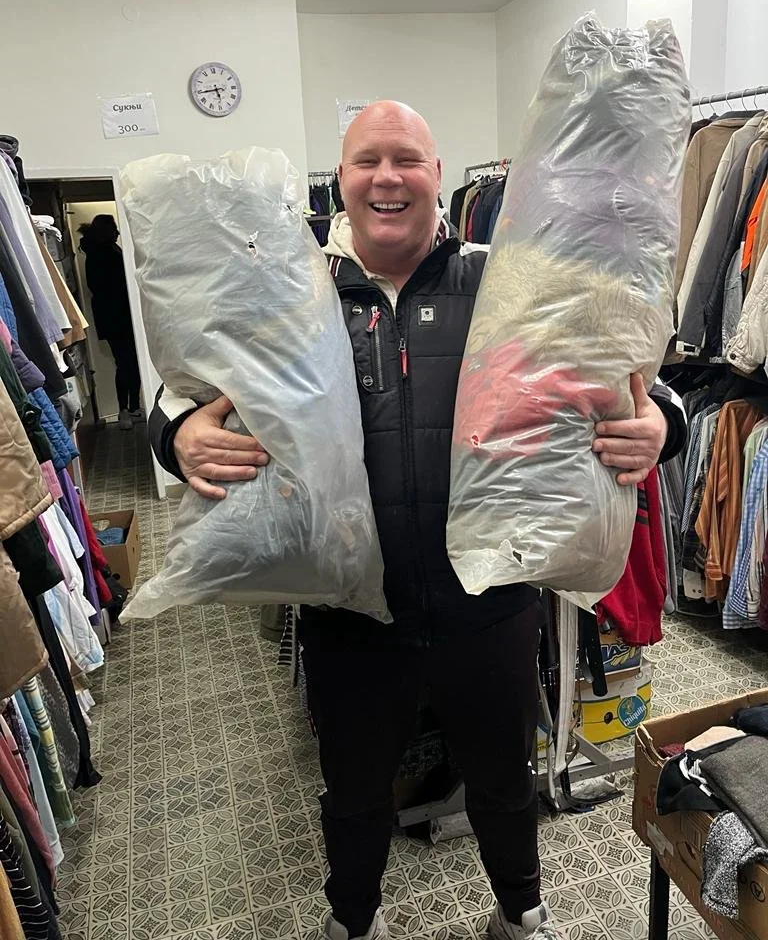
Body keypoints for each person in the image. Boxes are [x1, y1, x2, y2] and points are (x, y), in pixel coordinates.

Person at [149, 102, 686, 940]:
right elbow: (190, 390)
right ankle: (352, 922)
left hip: (491, 609)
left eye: (408, 159)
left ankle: (521, 915)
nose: (387, 177)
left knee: (504, 784)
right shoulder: (299, 295)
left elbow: (636, 369)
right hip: (352, 620)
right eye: (367, 161)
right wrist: (174, 432)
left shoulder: (505, 283)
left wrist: (663, 424)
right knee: (354, 794)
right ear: (341, 180)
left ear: (441, 175)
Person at [79, 213, 142, 430]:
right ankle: (125, 409)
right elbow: (103, 288)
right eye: (113, 228)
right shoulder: (99, 254)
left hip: (118, 317)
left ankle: (132, 407)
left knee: (132, 362)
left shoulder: (103, 251)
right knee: (125, 363)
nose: (117, 232)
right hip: (117, 318)